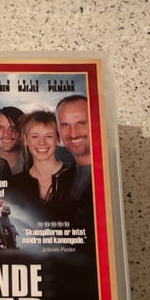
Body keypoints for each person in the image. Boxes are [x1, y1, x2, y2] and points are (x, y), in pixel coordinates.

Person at [10, 110, 74, 219]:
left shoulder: (75, 177)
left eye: (49, 136)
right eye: (35, 136)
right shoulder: (14, 185)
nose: (42, 142)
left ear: (58, 139)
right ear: (25, 140)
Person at [55, 95, 93, 225]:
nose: (73, 134)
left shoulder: (112, 174)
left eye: (81, 123)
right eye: (65, 125)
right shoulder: (62, 178)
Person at [0, 106, 25, 175]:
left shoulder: (34, 164)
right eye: (0, 127)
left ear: (23, 131)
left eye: (13, 128)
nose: (6, 134)